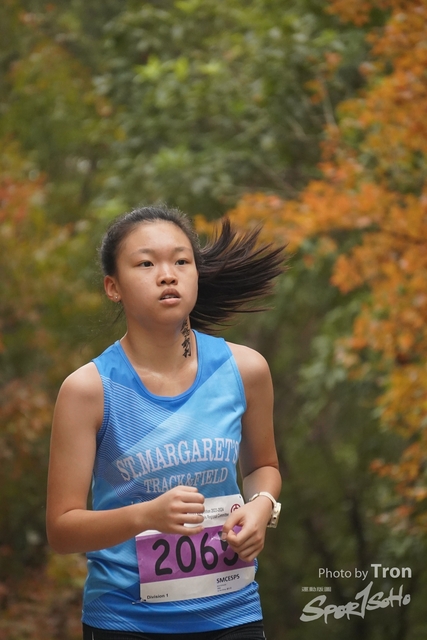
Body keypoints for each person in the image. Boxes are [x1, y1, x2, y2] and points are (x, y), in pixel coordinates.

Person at [46, 205, 285, 640]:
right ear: (113, 287)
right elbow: (62, 530)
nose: (168, 275)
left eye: (181, 261)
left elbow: (262, 467)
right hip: (126, 621)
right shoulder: (88, 390)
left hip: (232, 614)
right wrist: (147, 516)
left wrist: (262, 506)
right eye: (146, 264)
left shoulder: (245, 369)